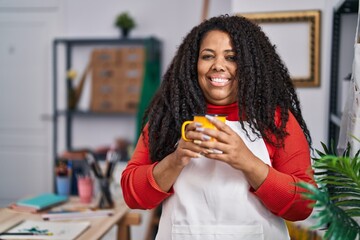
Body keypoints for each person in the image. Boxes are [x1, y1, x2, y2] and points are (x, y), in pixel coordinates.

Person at [121, 14, 315, 240]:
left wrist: (247, 162)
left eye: (232, 57)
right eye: (207, 56)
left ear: (250, 65)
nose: (218, 66)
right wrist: (175, 160)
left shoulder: (275, 119)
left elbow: (303, 205)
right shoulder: (168, 119)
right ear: (194, 65)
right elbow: (132, 195)